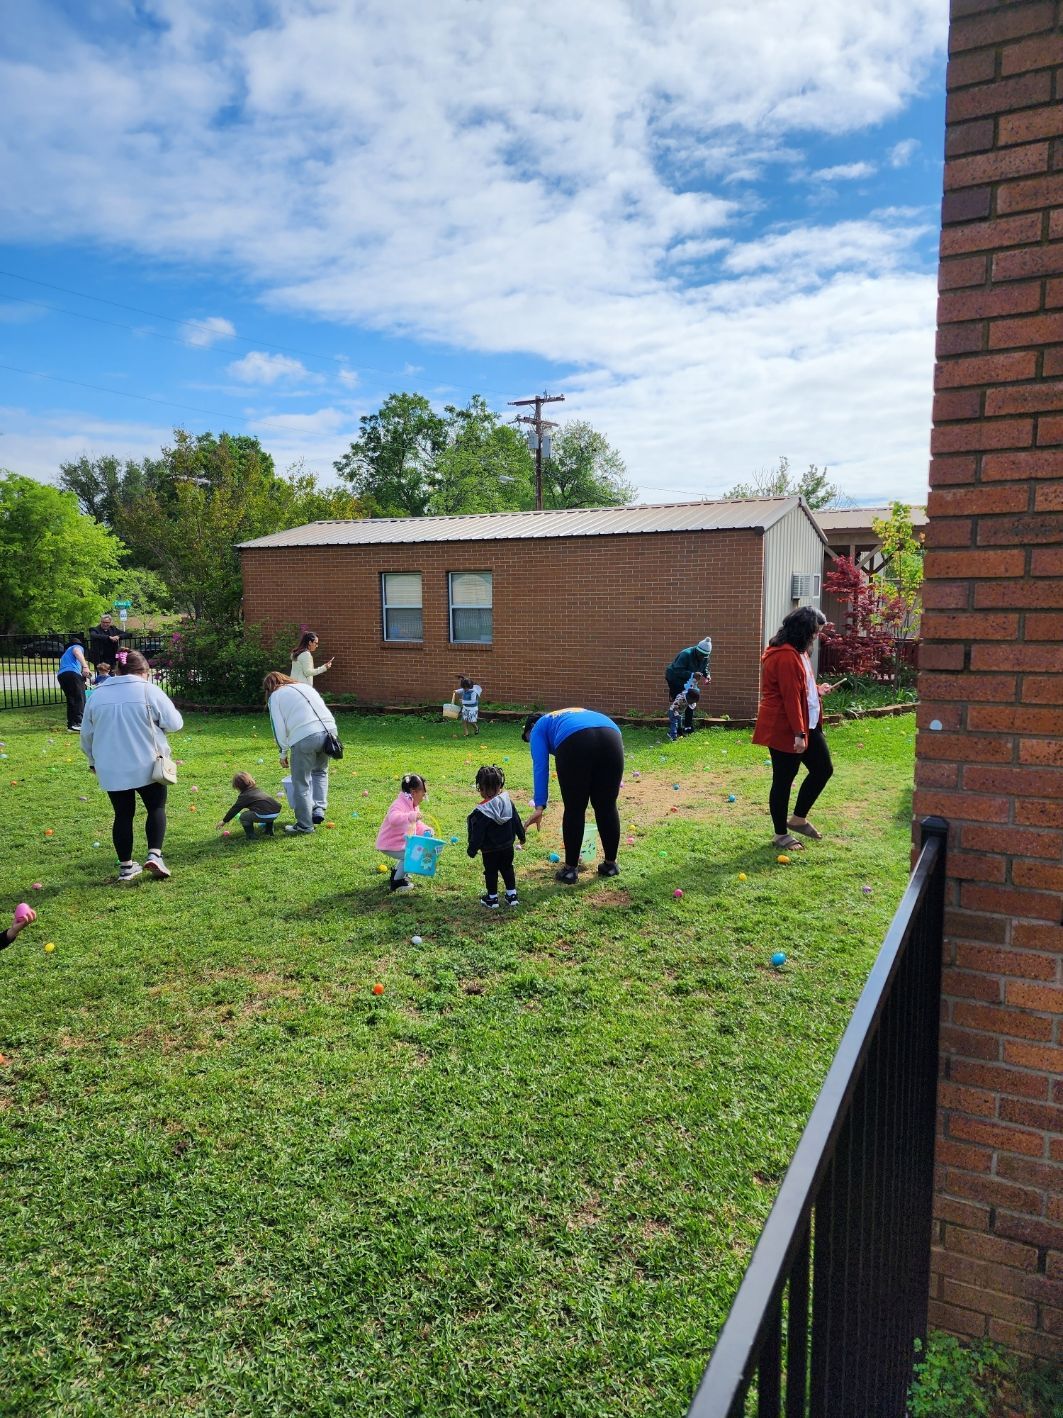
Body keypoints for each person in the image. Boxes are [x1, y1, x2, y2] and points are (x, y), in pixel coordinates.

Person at [80, 649, 184, 882]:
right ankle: (155, 854)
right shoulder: (148, 690)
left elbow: (87, 735)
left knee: (123, 814)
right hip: (147, 762)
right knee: (156, 807)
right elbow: (175, 723)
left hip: (111, 765)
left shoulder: (97, 695)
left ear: (118, 670)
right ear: (144, 671)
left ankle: (126, 865)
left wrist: (92, 760)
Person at [752, 607, 837, 851]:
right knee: (783, 780)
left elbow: (801, 687)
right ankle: (780, 835)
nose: (816, 637)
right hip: (785, 727)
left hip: (807, 724)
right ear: (804, 630)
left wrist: (817, 689)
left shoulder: (799, 653)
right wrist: (799, 734)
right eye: (815, 632)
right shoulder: (784, 655)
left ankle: (798, 819)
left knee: (823, 769)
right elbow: (789, 697)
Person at [522, 708, 624, 883]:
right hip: (611, 735)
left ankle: (570, 870)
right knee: (607, 805)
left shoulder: (539, 726)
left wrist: (540, 805)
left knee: (575, 808)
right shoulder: (566, 715)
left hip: (575, 742)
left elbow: (540, 766)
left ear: (531, 727)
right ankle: (610, 865)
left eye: (528, 739)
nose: (530, 743)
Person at [263, 671, 338, 834]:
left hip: (305, 736)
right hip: (330, 731)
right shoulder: (304, 686)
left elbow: (278, 728)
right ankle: (318, 809)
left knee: (300, 781)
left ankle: (305, 825)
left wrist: (283, 752)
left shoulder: (275, 696)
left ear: (268, 688)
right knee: (320, 772)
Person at [467, 764, 526, 908]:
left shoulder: (481, 813)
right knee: (507, 868)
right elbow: (516, 820)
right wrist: (521, 836)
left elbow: (478, 834)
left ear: (480, 788)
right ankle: (512, 895)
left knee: (491, 872)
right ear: (500, 785)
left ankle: (492, 898)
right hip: (507, 847)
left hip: (489, 851)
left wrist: (472, 849)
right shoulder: (508, 803)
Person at [375, 773, 429, 893]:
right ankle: (397, 883)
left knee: (409, 852)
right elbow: (393, 818)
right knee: (410, 855)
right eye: (423, 794)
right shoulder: (399, 804)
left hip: (399, 842)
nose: (423, 798)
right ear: (413, 792)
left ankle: (396, 872)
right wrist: (410, 816)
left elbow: (416, 823)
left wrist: (426, 829)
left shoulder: (413, 805)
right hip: (389, 843)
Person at [664, 637, 712, 734]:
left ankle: (688, 726)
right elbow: (677, 670)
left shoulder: (705, 657)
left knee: (691, 700)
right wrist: (692, 674)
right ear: (697, 650)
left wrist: (707, 675)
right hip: (675, 679)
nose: (702, 658)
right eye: (701, 655)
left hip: (690, 681)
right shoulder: (686, 654)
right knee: (680, 701)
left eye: (705, 656)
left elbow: (705, 667)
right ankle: (677, 728)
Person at [216, 772, 283, 838]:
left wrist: (224, 821)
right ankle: (269, 831)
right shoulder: (258, 790)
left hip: (265, 814)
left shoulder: (244, 796)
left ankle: (251, 836)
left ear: (237, 786)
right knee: (266, 809)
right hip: (275, 812)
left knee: (243, 817)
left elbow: (235, 809)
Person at [56, 635, 91, 732]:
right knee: (80, 698)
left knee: (71, 699)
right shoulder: (76, 647)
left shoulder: (65, 654)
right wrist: (85, 666)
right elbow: (77, 651)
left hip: (62, 675)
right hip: (72, 673)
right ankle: (78, 723)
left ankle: (71, 724)